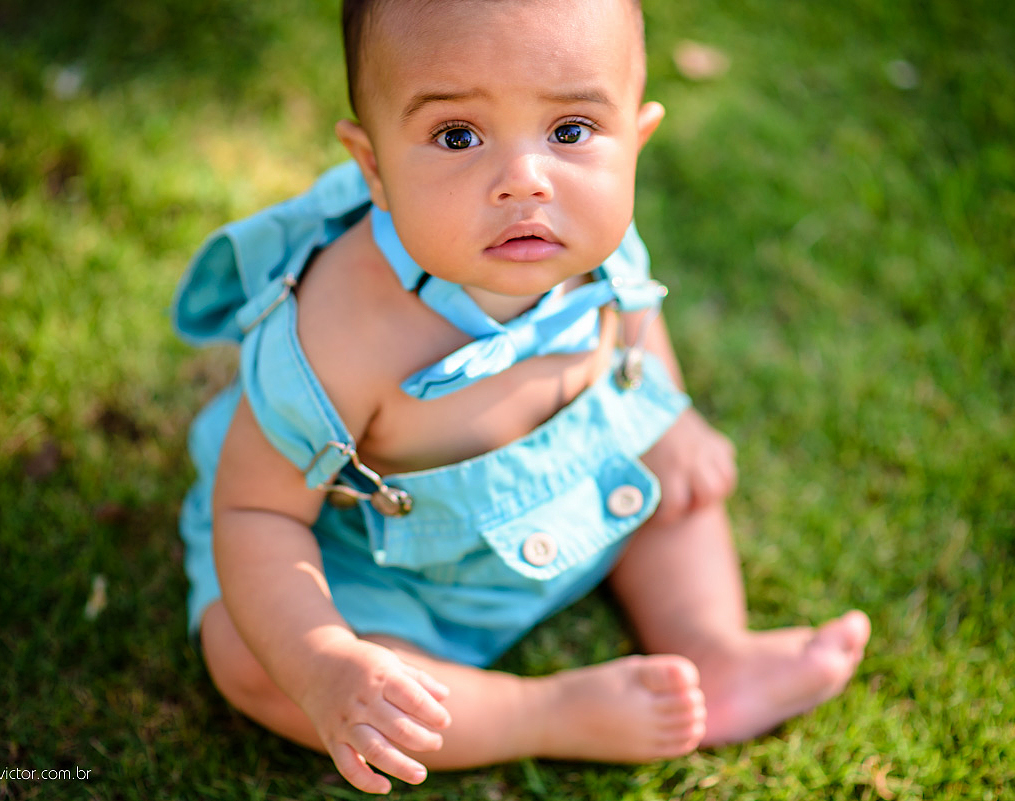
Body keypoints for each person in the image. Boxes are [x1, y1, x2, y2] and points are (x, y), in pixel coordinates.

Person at [171, 0, 871, 794]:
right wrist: (325, 660)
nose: (524, 181)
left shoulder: (590, 239)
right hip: (391, 582)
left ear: (634, 141)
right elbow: (256, 515)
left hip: (580, 489)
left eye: (570, 131)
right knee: (247, 652)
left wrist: (669, 417)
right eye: (457, 136)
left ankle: (711, 646)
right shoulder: (337, 332)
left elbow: (635, 309)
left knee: (679, 487)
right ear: (374, 167)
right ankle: (541, 711)